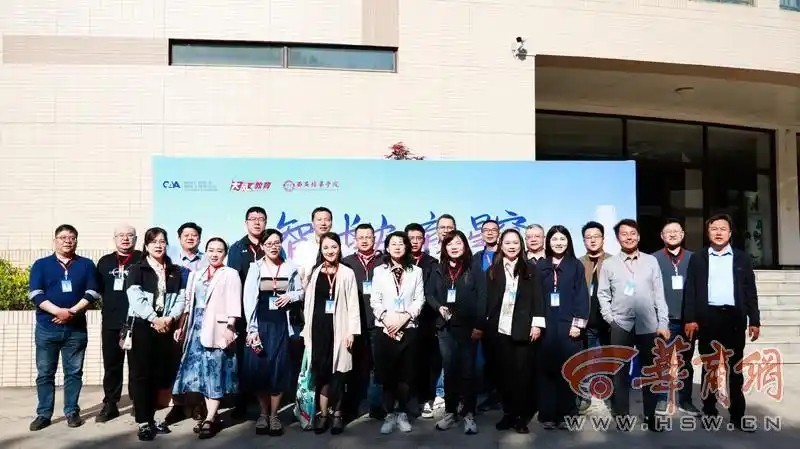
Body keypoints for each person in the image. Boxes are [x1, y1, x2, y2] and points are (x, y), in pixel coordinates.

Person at [683, 214, 760, 432]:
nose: (718, 232)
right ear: (708, 233)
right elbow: (691, 290)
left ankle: (737, 416)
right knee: (710, 368)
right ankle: (709, 412)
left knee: (735, 369)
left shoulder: (742, 258)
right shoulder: (698, 258)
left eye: (723, 229)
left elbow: (750, 291)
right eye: (714, 228)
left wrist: (754, 320)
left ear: (730, 232)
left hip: (734, 319)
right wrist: (690, 319)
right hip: (708, 319)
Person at [597, 219, 669, 432]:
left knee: (649, 372)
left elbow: (659, 294)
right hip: (621, 325)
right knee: (619, 373)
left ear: (638, 236)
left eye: (632, 233)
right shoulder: (609, 264)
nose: (628, 237)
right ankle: (622, 415)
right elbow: (603, 294)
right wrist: (610, 319)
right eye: (624, 234)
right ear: (617, 238)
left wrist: (663, 322)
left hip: (648, 325)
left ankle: (650, 415)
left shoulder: (651, 261)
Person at [28, 225, 101, 431]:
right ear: (55, 240)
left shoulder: (86, 264)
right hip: (47, 328)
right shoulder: (41, 264)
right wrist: (57, 312)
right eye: (63, 237)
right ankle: (44, 414)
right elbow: (35, 293)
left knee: (74, 373)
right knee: (45, 373)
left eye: (72, 238)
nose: (67, 241)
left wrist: (71, 312)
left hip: (76, 329)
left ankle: (71, 411)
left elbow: (93, 292)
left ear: (76, 241)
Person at [172, 238, 241, 439]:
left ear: (225, 254)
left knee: (215, 371)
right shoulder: (197, 274)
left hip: (218, 328)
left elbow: (234, 302)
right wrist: (181, 325)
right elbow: (188, 302)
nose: (214, 254)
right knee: (201, 373)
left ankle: (210, 417)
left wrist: (230, 327)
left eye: (219, 250)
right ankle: (212, 415)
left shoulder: (230, 274)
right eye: (211, 250)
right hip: (197, 327)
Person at [480, 228, 545, 434]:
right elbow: (487, 301)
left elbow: (538, 298)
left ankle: (521, 417)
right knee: (503, 375)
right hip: (499, 329)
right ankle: (508, 413)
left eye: (515, 242)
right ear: (501, 245)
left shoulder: (531, 269)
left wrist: (537, 324)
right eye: (507, 242)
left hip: (523, 329)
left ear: (521, 245)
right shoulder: (492, 271)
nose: (511, 246)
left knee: (522, 376)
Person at [125, 227, 186, 441]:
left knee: (158, 375)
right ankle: (143, 422)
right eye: (154, 242)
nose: (158, 245)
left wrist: (169, 318)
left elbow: (181, 298)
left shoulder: (175, 270)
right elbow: (136, 298)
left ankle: (151, 418)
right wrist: (154, 318)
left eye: (162, 241)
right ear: (146, 246)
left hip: (165, 326)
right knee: (141, 375)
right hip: (143, 326)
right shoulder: (137, 269)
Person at [242, 229, 304, 436]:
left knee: (279, 369)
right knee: (261, 370)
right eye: (269, 243)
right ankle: (263, 414)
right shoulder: (256, 268)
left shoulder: (290, 267)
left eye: (277, 243)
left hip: (282, 325)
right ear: (262, 246)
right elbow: (249, 299)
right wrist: (252, 329)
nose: (273, 247)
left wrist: (290, 297)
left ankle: (275, 415)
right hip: (262, 324)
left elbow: (301, 292)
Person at [301, 232, 360, 435]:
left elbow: (353, 304)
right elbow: (308, 304)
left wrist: (352, 331)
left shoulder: (347, 272)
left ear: (339, 248)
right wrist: (306, 331)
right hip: (318, 330)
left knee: (339, 374)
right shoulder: (315, 272)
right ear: (321, 250)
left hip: (340, 329)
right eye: (325, 247)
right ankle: (324, 415)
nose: (330, 251)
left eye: (333, 247)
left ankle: (338, 415)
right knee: (321, 373)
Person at [427, 230, 484, 435]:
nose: (454, 247)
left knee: (468, 371)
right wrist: (439, 307)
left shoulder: (474, 267)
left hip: (468, 328)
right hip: (445, 328)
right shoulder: (438, 268)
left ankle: (468, 413)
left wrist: (479, 326)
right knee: (450, 370)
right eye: (449, 243)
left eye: (458, 243)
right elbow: (429, 294)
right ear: (444, 247)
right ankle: (450, 412)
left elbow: (482, 298)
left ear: (465, 246)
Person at [370, 231, 426, 435]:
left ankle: (402, 413)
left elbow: (419, 299)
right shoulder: (379, 271)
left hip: (408, 328)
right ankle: (389, 414)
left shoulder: (416, 271)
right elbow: (375, 300)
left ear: (406, 247)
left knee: (405, 375)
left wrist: (405, 318)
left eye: (401, 243)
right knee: (387, 375)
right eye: (393, 243)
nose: (397, 247)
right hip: (385, 329)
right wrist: (387, 320)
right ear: (387, 248)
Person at [536, 226, 589, 430]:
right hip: (546, 325)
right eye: (555, 239)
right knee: (546, 371)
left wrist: (578, 324)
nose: (559, 243)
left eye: (563, 239)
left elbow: (581, 295)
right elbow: (535, 296)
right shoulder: (541, 266)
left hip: (568, 325)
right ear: (548, 242)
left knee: (567, 370)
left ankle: (567, 413)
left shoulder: (575, 265)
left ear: (568, 241)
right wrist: (536, 323)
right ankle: (548, 414)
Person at [651, 218, 700, 416]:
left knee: (685, 362)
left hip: (687, 321)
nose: (672, 234)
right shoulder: (653, 259)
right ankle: (661, 399)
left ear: (682, 235)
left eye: (676, 231)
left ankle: (685, 401)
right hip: (663, 321)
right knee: (661, 361)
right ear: (662, 236)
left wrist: (694, 317)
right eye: (668, 231)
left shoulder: (693, 258)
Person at [95, 224, 141, 423]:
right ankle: (110, 404)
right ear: (114, 239)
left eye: (129, 235)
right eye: (121, 235)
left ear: (136, 239)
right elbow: (97, 289)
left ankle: (138, 402)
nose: (125, 239)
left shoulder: (143, 259)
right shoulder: (105, 262)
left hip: (137, 321)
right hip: (111, 322)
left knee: (137, 365)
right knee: (112, 365)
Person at [227, 206, 268, 418]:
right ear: (246, 223)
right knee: (242, 358)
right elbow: (233, 282)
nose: (257, 222)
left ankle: (265, 402)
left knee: (264, 354)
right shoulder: (237, 248)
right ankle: (241, 402)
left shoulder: (271, 244)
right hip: (243, 311)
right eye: (253, 219)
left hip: (267, 311)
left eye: (261, 219)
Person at [341, 224, 383, 420]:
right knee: (354, 366)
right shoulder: (347, 262)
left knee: (377, 366)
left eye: (368, 237)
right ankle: (352, 406)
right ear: (355, 240)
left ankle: (376, 406)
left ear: (374, 239)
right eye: (361, 237)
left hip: (378, 322)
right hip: (355, 323)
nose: (365, 240)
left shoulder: (384, 261)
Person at [577, 221, 612, 413]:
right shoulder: (578, 263)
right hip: (586, 322)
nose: (592, 240)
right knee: (584, 360)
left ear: (603, 239)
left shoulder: (614, 261)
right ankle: (584, 395)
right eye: (588, 237)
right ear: (583, 241)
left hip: (609, 322)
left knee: (612, 359)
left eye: (596, 236)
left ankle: (612, 395)